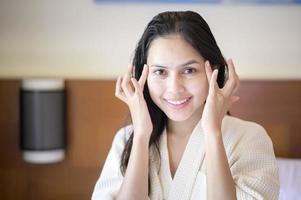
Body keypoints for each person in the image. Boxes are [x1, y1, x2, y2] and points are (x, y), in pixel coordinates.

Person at [92, 11, 279, 200]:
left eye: (189, 70)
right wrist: (141, 136)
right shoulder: (126, 140)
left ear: (213, 71)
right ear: (143, 76)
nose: (174, 89)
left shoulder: (250, 138)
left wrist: (212, 132)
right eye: (160, 72)